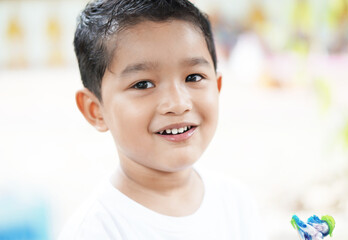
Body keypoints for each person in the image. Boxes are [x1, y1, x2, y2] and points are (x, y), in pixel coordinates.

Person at [59, 0, 267, 239]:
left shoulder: (236, 203)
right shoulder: (96, 230)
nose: (178, 103)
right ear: (95, 110)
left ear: (217, 87)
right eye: (143, 84)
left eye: (193, 77)